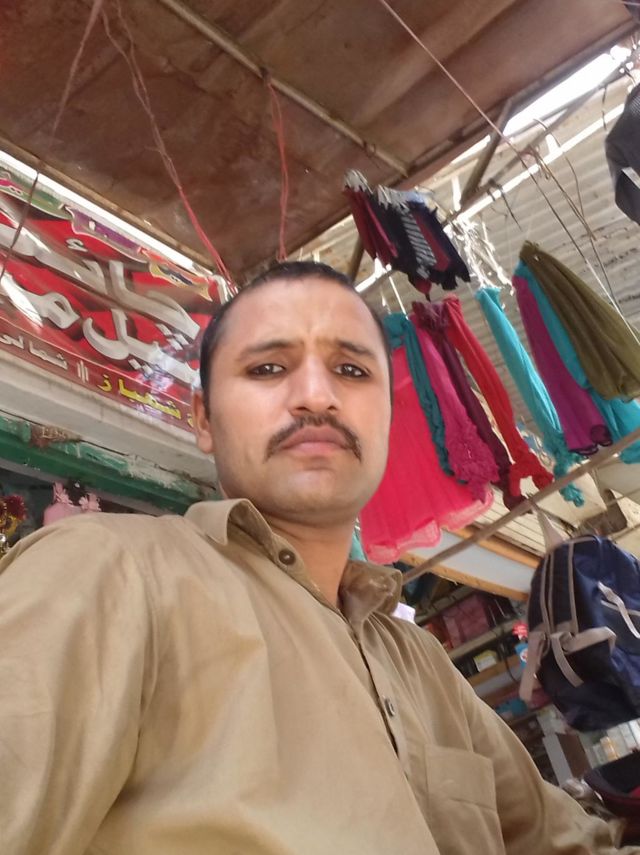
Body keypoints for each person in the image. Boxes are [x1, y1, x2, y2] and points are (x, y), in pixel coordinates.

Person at [0, 260, 635, 855]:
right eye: (268, 368)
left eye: (351, 372)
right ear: (204, 420)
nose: (315, 395)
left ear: (387, 417)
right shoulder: (107, 570)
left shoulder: (418, 660)